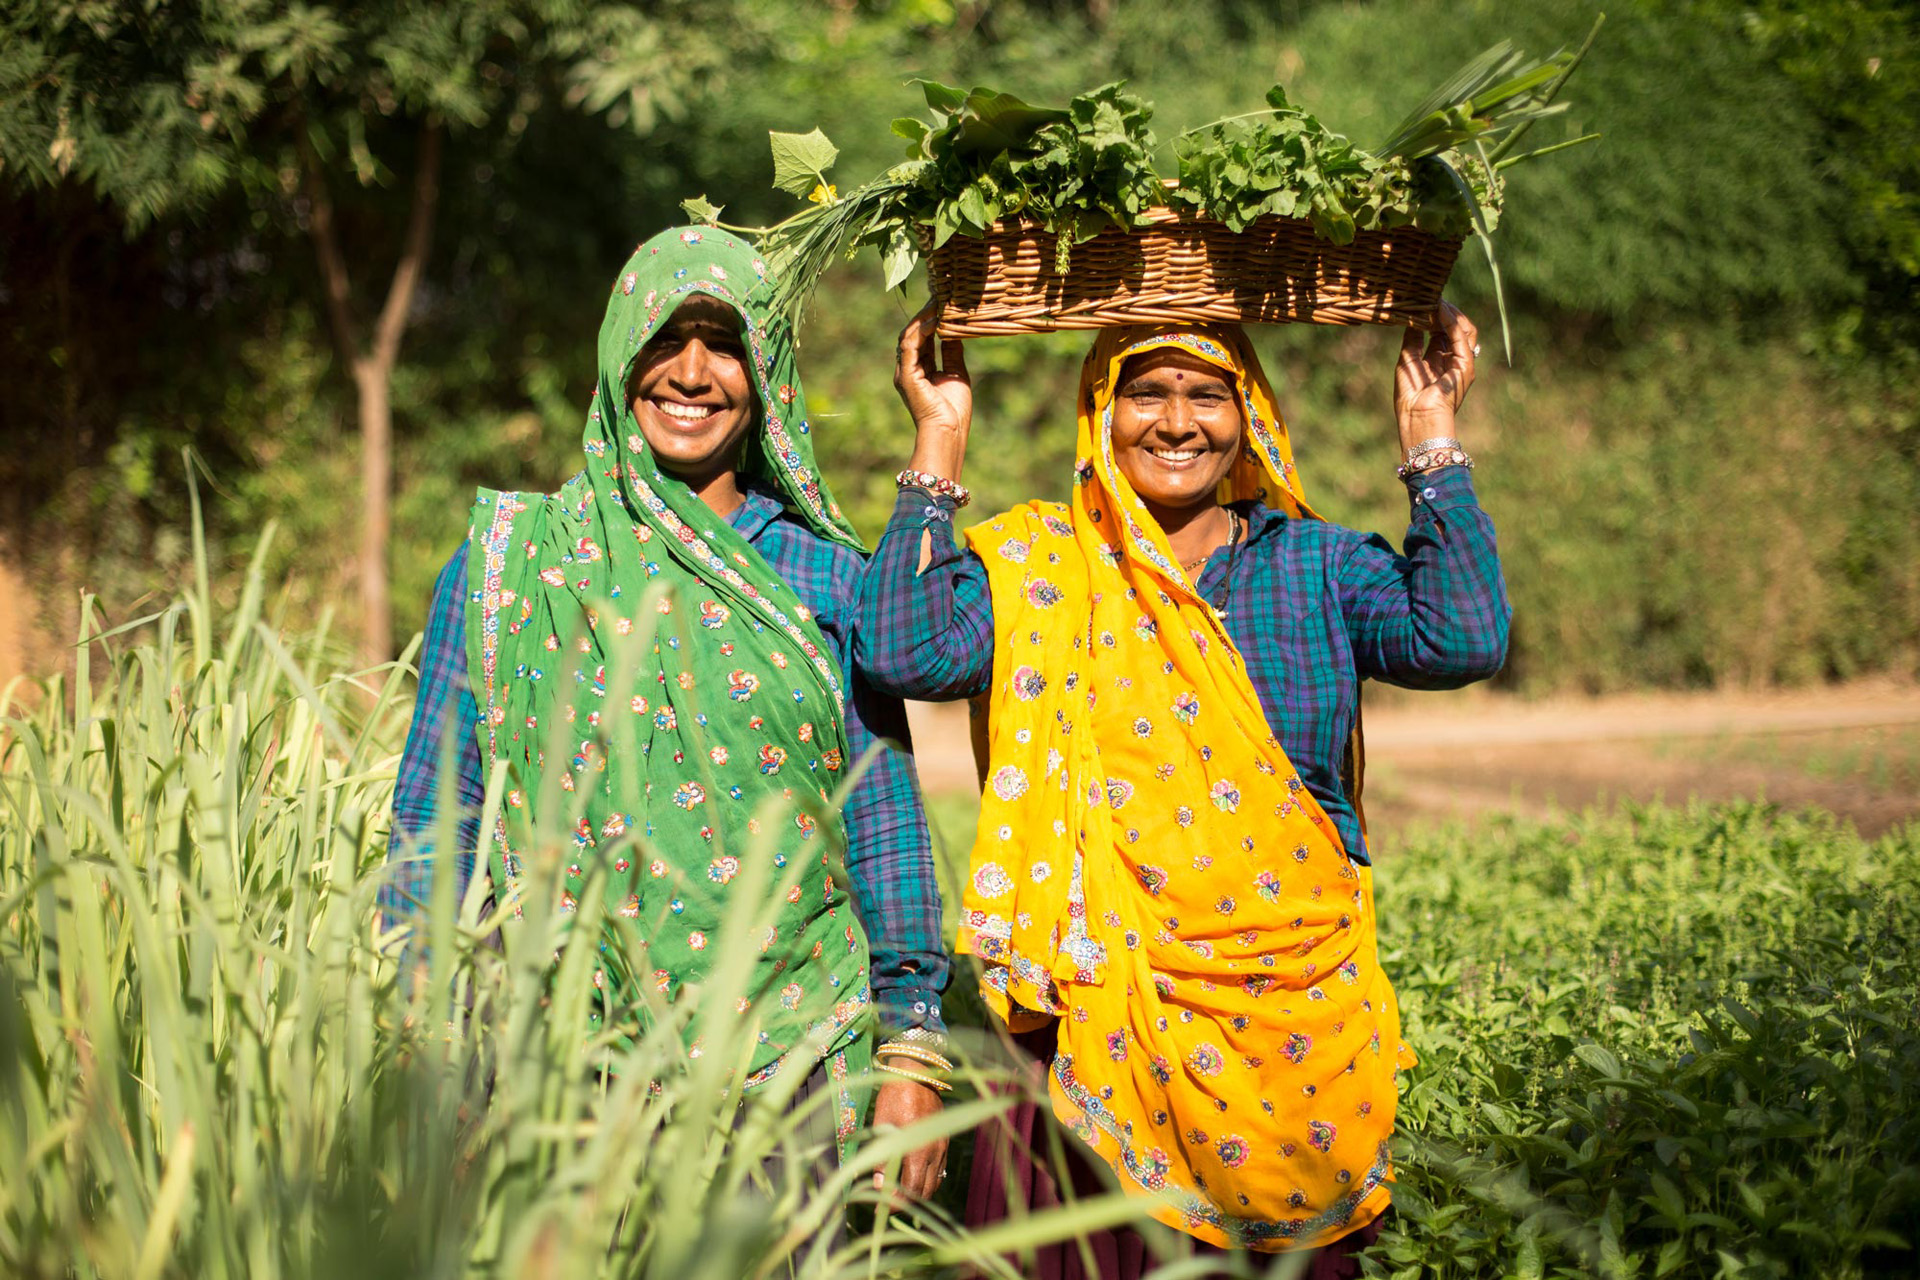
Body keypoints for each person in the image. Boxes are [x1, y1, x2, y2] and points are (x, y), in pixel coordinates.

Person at [855, 303, 1510, 1273]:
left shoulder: (1314, 564)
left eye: (1208, 394)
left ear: (1249, 415)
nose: (1176, 421)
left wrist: (1432, 439)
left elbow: (1462, 637)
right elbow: (902, 647)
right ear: (1100, 412)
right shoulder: (1045, 565)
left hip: (1290, 1031)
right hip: (1097, 1024)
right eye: (1145, 394)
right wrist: (940, 436)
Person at [382, 226, 950, 1199]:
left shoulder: (825, 579)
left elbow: (883, 820)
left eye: (724, 342)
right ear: (619, 353)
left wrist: (913, 1047)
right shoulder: (509, 565)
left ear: (763, 371)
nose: (692, 371)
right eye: (666, 337)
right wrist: (425, 1046)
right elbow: (436, 819)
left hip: (789, 1055)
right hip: (557, 1057)